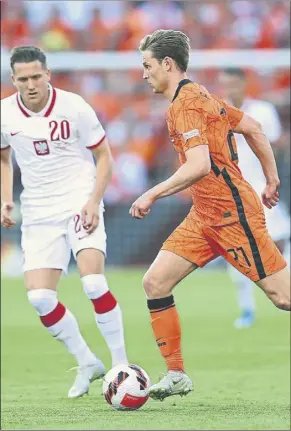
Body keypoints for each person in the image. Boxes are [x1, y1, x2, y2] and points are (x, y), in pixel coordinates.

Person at [129, 30, 290, 401]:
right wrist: (271, 178)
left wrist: (152, 192)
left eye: (147, 65)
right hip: (203, 215)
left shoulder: (186, 105)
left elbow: (199, 165)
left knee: (284, 298)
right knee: (155, 283)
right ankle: (176, 373)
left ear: (167, 64)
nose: (143, 74)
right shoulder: (200, 94)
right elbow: (252, 127)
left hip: (233, 215)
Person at [1, 46, 128, 398]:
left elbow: (104, 156)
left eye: (36, 77)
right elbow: (3, 158)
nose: (30, 84)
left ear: (48, 74)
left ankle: (121, 363)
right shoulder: (4, 114)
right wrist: (6, 198)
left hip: (78, 202)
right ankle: (88, 361)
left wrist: (93, 201)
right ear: (14, 80)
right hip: (38, 211)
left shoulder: (74, 107)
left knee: (93, 284)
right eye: (23, 79)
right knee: (40, 298)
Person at [219, 68, 290, 328]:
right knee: (237, 252)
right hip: (231, 193)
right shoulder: (215, 112)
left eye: (234, 84)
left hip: (261, 189)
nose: (229, 89)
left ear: (244, 84)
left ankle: (285, 290)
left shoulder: (261, 111)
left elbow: (274, 144)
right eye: (225, 84)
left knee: (279, 240)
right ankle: (247, 309)